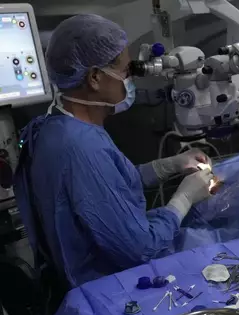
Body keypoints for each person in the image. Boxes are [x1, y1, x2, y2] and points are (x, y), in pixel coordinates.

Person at [14, 15, 216, 287]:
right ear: (95, 77)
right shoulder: (82, 148)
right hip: (108, 287)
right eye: (125, 73)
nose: (129, 82)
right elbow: (141, 249)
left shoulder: (55, 126)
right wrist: (184, 198)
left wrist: (169, 165)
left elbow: (105, 185)